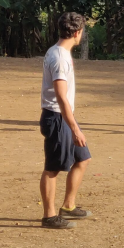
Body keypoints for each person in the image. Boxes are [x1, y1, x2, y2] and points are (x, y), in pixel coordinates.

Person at [39, 12, 93, 229]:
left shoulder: (58, 51)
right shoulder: (60, 57)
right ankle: (49, 216)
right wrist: (75, 129)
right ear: (78, 33)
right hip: (57, 117)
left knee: (83, 158)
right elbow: (61, 96)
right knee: (52, 169)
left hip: (64, 116)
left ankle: (68, 206)